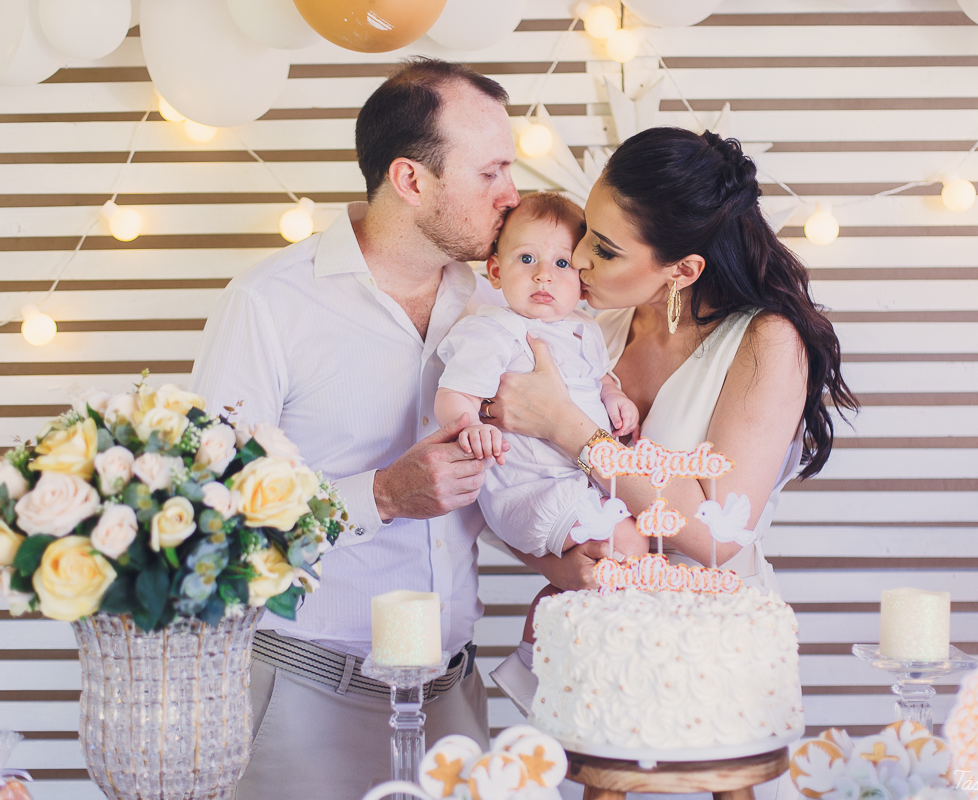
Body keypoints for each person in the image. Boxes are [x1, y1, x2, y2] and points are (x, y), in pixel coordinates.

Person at [487, 127, 858, 800]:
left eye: (605, 248)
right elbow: (520, 483)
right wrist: (556, 565)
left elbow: (715, 532)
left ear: (683, 269)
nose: (578, 260)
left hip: (710, 672)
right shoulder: (586, 326)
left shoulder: (766, 343)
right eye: (585, 232)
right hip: (603, 657)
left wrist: (568, 426)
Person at [189, 58, 519, 800]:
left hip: (456, 705)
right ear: (411, 180)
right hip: (305, 706)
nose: (513, 195)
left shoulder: (502, 304)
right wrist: (384, 495)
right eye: (491, 173)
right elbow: (213, 521)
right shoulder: (268, 305)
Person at [434, 192, 644, 685]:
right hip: (531, 487)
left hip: (579, 479)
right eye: (526, 259)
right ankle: (545, 659)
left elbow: (597, 379)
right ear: (494, 271)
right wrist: (472, 425)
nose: (543, 275)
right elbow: (452, 395)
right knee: (625, 547)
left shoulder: (584, 330)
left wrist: (613, 395)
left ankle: (541, 647)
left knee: (603, 568)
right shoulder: (493, 332)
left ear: (582, 278)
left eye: (561, 263)